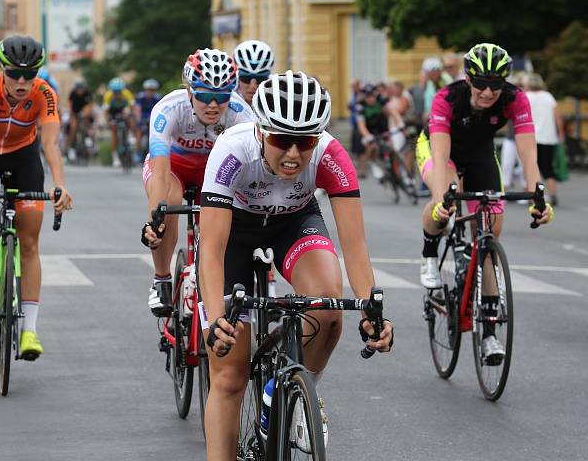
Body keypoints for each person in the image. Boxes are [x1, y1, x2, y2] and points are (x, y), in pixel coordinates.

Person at [187, 71, 393, 460]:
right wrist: (215, 320)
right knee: (230, 374)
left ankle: (295, 394)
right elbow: (211, 250)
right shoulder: (232, 151)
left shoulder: (332, 155)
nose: (294, 154)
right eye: (282, 140)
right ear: (262, 131)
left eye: (306, 142)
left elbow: (355, 244)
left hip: (293, 224)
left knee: (329, 309)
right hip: (236, 233)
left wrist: (372, 309)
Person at [416, 43, 553, 364]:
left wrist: (538, 197)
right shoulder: (447, 98)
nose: (488, 92)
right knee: (448, 193)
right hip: (441, 150)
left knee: (488, 237)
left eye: (496, 83)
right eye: (481, 83)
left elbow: (528, 154)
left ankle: (489, 334)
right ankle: (429, 254)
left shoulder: (514, 98)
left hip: (480, 156)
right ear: (468, 79)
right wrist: (441, 201)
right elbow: (439, 154)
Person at [0, 35, 73, 360]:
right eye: (14, 73)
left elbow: (51, 145)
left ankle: (30, 331)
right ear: (1, 68)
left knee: (30, 242)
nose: (22, 81)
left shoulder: (45, 94)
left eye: (30, 74)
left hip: (24, 159)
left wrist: (59, 184)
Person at [141, 48, 253, 316]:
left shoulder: (241, 114)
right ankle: (162, 279)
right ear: (189, 91)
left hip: (215, 172)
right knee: (169, 202)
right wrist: (156, 219)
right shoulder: (168, 108)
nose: (213, 105)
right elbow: (159, 172)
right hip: (173, 167)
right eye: (204, 96)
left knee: (219, 224)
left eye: (221, 96)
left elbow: (250, 170)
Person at [524, 73, 565, 206]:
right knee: (548, 169)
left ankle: (532, 196)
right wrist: (561, 133)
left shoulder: (526, 97)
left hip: (532, 138)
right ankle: (553, 195)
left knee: (531, 167)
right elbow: (557, 117)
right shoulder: (548, 97)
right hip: (548, 138)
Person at [102, 77, 136, 167]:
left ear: (122, 90)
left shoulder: (127, 94)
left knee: (129, 117)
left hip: (123, 110)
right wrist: (108, 121)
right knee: (114, 130)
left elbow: (132, 107)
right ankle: (115, 157)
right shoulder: (108, 96)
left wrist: (131, 113)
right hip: (113, 112)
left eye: (119, 92)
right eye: (115, 92)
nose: (117, 94)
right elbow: (106, 112)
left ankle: (131, 135)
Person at [233, 39, 274, 106]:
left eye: (260, 79)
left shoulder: (277, 91)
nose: (253, 86)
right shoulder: (228, 94)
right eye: (246, 78)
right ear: (237, 76)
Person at [65, 79, 94, 161]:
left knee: (88, 119)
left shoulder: (88, 93)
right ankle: (71, 148)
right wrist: (71, 115)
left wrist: (86, 113)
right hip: (75, 111)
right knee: (73, 128)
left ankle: (88, 136)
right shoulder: (73, 93)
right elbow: (70, 105)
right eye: (78, 89)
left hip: (85, 110)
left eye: (81, 89)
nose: (80, 91)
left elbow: (90, 105)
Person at [134, 78, 161, 161]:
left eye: (152, 90)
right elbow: (137, 109)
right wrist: (138, 119)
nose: (150, 92)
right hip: (142, 116)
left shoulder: (157, 98)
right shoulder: (140, 97)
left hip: (152, 117)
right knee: (139, 131)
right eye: (148, 90)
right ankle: (138, 151)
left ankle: (151, 154)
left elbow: (159, 109)